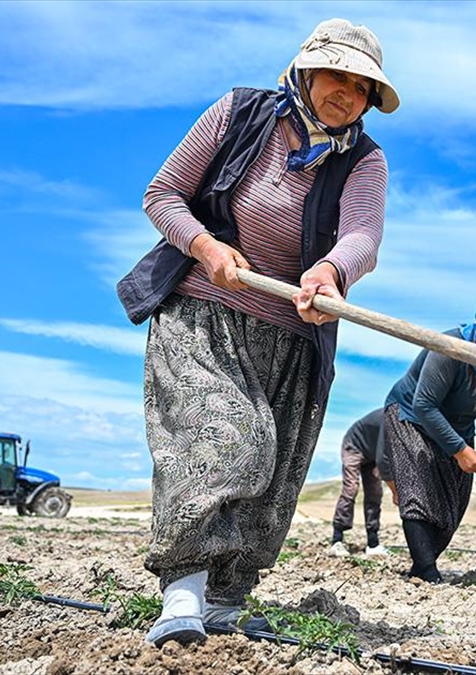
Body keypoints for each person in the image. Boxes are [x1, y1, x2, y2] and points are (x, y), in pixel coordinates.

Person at [115, 18, 399, 647]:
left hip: (293, 335)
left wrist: (331, 269)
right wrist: (206, 246)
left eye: (362, 86)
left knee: (273, 468)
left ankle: (226, 599)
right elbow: (162, 196)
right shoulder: (241, 115)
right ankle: (182, 592)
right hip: (204, 313)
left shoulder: (364, 160)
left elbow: (362, 235)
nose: (347, 93)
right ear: (304, 70)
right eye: (337, 75)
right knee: (227, 439)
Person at [384, 295, 476, 583]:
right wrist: (459, 450)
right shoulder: (451, 348)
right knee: (419, 482)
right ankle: (426, 571)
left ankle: (422, 564)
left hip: (459, 428)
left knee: (452, 504)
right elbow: (424, 404)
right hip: (410, 415)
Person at [328, 408, 390, 557]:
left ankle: (373, 543)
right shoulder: (389, 419)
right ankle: (337, 540)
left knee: (375, 492)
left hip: (372, 454)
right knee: (351, 488)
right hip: (353, 445)